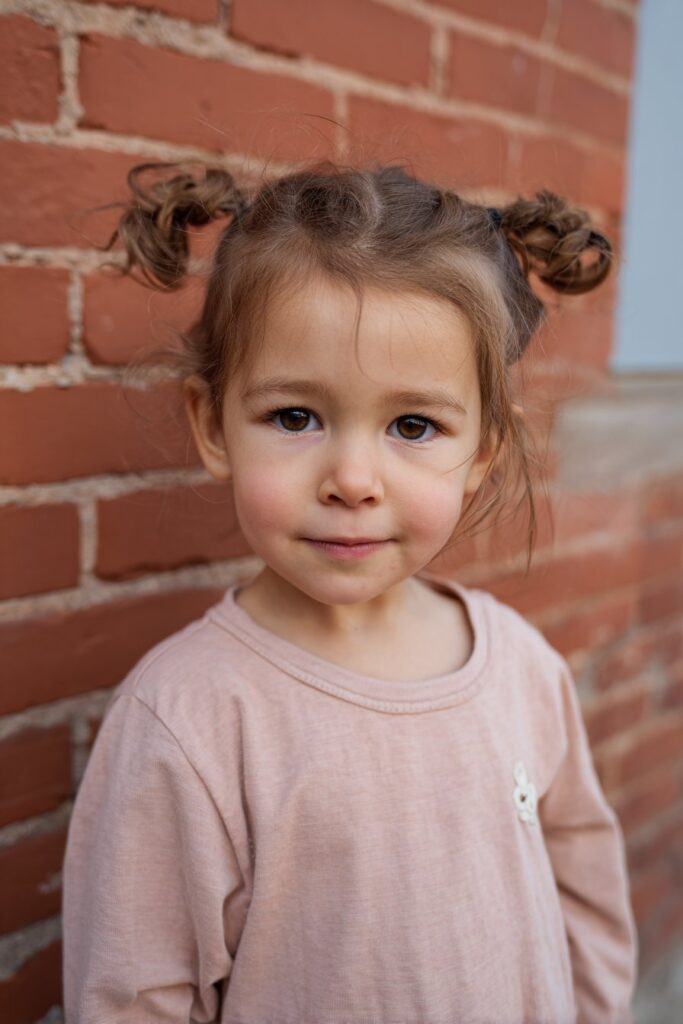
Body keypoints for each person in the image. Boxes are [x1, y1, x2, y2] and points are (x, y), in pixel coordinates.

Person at [62, 159, 638, 1024]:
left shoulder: (520, 665)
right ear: (212, 424)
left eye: (414, 426)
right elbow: (132, 995)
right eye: (295, 417)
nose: (353, 479)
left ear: (482, 449)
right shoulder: (188, 716)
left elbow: (583, 886)